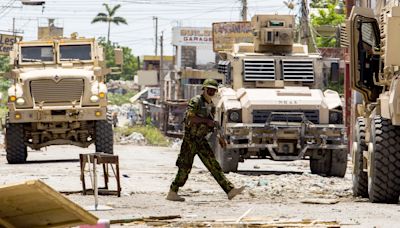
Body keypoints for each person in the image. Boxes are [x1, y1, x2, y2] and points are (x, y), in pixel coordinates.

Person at [166, 79, 245, 202]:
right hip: (190, 140)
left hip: (201, 140)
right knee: (185, 167)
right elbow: (190, 118)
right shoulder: (196, 101)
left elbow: (212, 125)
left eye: (214, 90)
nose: (211, 91)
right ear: (204, 89)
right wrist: (206, 121)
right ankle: (173, 191)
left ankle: (229, 190)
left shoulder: (211, 106)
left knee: (214, 166)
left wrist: (220, 137)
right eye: (209, 89)